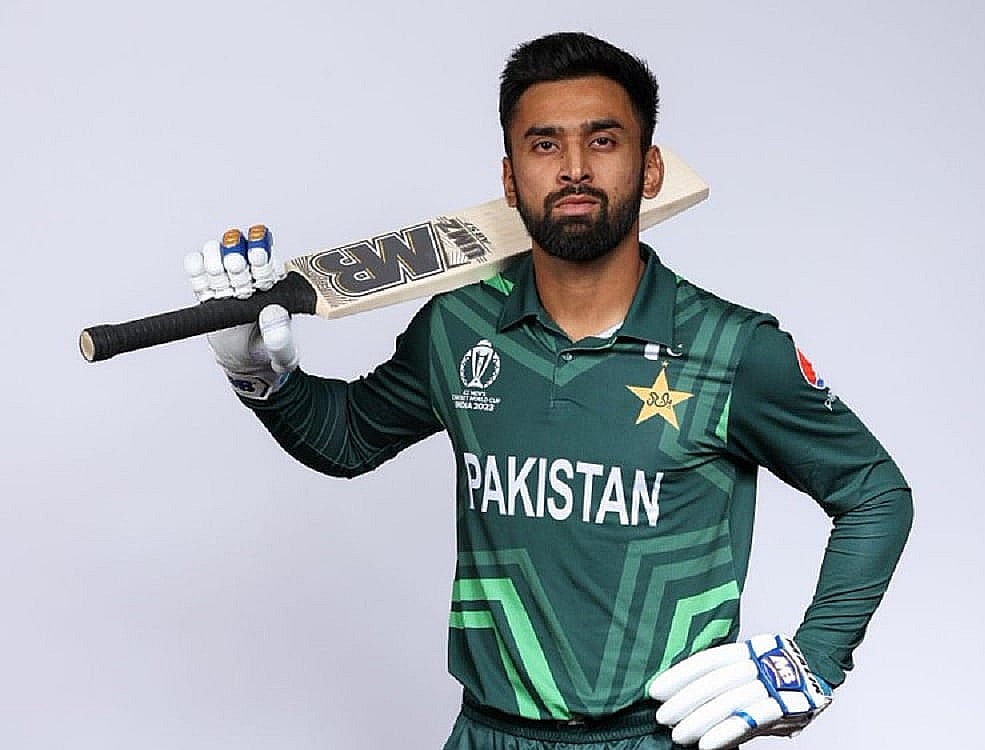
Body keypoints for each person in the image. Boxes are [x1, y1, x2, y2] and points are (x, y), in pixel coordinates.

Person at [189, 31, 912, 750]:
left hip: (654, 737)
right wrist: (260, 376)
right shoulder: (458, 328)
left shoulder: (733, 348)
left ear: (650, 168)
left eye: (603, 141)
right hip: (487, 733)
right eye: (544, 145)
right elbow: (348, 439)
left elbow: (875, 492)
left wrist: (814, 659)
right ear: (510, 181)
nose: (573, 168)